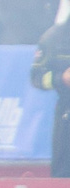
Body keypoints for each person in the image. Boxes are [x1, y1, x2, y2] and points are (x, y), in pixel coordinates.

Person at [34, 14, 70, 179]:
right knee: (63, 176)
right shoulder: (54, 38)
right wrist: (61, 78)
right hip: (66, 115)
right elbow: (36, 77)